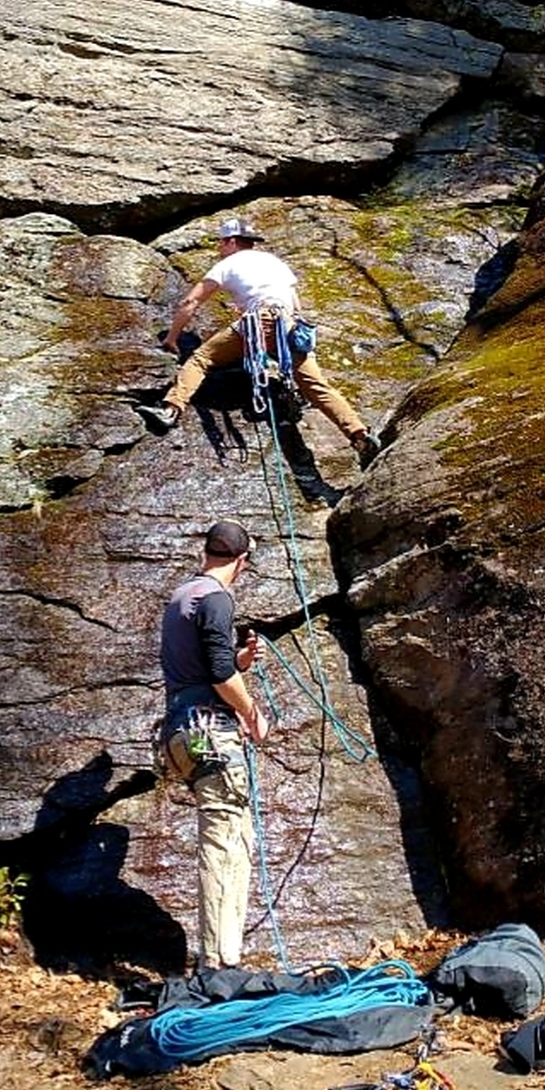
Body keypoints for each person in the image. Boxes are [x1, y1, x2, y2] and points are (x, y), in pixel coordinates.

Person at [138, 218, 381, 467]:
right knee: (315, 385)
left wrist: (171, 338)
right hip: (289, 323)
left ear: (232, 241)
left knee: (201, 359)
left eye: (221, 242)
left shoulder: (227, 264)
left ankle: (170, 410)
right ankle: (359, 435)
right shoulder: (274, 262)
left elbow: (190, 302)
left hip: (258, 320)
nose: (219, 248)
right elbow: (296, 304)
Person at [159, 518, 270, 971]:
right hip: (211, 734)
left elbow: (210, 669)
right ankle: (218, 967)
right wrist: (251, 712)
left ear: (207, 552)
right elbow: (222, 677)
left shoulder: (181, 596)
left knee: (236, 837)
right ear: (241, 561)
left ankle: (225, 956)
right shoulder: (218, 599)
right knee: (225, 841)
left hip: (180, 732)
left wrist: (239, 661)